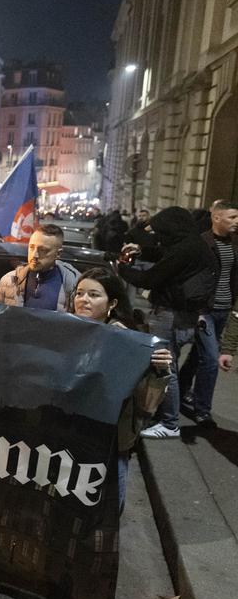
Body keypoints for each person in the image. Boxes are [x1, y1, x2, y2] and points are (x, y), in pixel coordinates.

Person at [71, 268, 172, 514]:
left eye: (94, 295)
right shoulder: (64, 330)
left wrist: (159, 370)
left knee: (106, 506)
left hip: (110, 438)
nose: (84, 300)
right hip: (70, 432)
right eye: (80, 293)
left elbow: (147, 403)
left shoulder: (129, 341)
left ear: (112, 303)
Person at [118, 206, 218, 439]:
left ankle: (170, 423)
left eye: (161, 231)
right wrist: (141, 250)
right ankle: (163, 414)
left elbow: (150, 278)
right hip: (185, 316)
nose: (158, 236)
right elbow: (163, 254)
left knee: (165, 368)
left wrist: (122, 268)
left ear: (172, 229)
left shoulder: (184, 250)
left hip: (171, 316)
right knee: (166, 365)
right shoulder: (192, 244)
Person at [176, 199, 238, 427]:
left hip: (225, 309)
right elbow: (192, 279)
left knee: (197, 357)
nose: (236, 222)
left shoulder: (234, 244)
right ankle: (203, 410)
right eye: (232, 217)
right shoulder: (202, 244)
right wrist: (199, 311)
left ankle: (180, 391)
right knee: (211, 359)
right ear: (217, 217)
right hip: (206, 311)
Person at [0, 224, 80, 311]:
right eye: (31, 247)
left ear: (58, 254)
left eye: (43, 250)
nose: (34, 255)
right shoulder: (9, 281)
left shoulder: (75, 286)